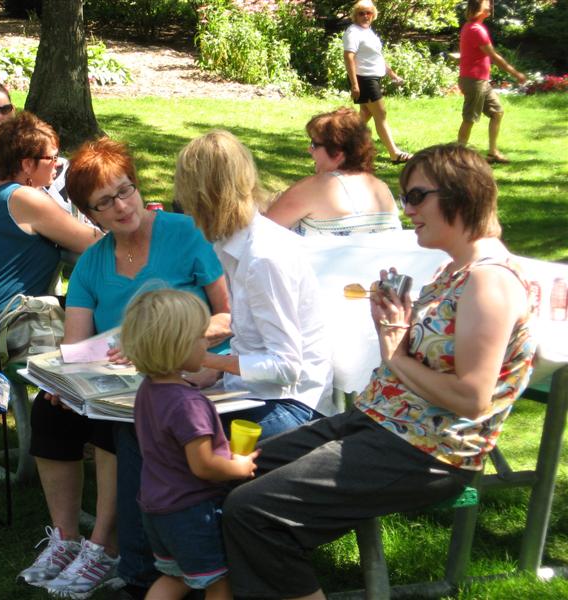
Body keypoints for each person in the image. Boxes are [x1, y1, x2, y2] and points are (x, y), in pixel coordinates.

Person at [221, 143, 536, 600]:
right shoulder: (457, 270)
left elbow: (472, 397)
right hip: (382, 424)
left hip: (426, 450)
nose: (406, 209)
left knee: (254, 511)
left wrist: (395, 355)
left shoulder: (489, 281)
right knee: (234, 471)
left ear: (460, 194)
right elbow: (434, 359)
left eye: (415, 196)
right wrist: (397, 328)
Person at [16, 138, 231, 600]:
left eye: (126, 190)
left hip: (183, 371)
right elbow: (75, 345)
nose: (121, 206)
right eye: (104, 203)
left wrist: (191, 350)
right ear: (89, 215)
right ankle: (65, 538)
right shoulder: (93, 262)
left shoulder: (184, 232)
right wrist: (65, 379)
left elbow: (228, 313)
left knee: (119, 424)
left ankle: (103, 546)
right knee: (51, 411)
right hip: (122, 375)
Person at [175, 130, 335, 422]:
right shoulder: (231, 243)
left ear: (202, 199)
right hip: (254, 392)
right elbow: (253, 339)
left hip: (290, 404)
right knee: (152, 413)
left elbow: (286, 367)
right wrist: (213, 370)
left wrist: (207, 360)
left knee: (176, 430)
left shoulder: (263, 257)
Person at [121, 289, 259, 600]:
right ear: (176, 347)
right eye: (200, 337)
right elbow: (204, 465)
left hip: (156, 507)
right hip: (190, 511)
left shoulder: (148, 389)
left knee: (175, 578)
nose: (207, 343)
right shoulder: (188, 403)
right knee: (219, 583)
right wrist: (239, 466)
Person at [0, 111, 99, 322]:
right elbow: (92, 241)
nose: (58, 163)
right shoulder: (25, 198)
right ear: (27, 165)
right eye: (52, 157)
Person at [265, 107, 401, 236]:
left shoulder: (316, 188)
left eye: (314, 144)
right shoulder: (381, 189)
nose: (309, 150)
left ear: (337, 153)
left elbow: (261, 233)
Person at [457, 0, 527, 164]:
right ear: (478, 9)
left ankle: (493, 152)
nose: (490, 5)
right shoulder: (475, 30)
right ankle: (458, 155)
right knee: (470, 118)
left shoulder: (473, 27)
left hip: (480, 80)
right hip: (474, 81)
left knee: (497, 112)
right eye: (486, 4)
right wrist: (515, 73)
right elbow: (494, 56)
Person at [343, 0, 411, 164]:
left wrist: (392, 74)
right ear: (355, 15)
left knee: (363, 117)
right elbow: (348, 57)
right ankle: (394, 153)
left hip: (373, 77)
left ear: (373, 14)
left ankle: (339, 144)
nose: (365, 16)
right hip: (364, 79)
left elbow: (376, 57)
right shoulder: (353, 32)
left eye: (368, 13)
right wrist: (354, 85)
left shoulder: (368, 32)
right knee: (381, 114)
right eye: (361, 13)